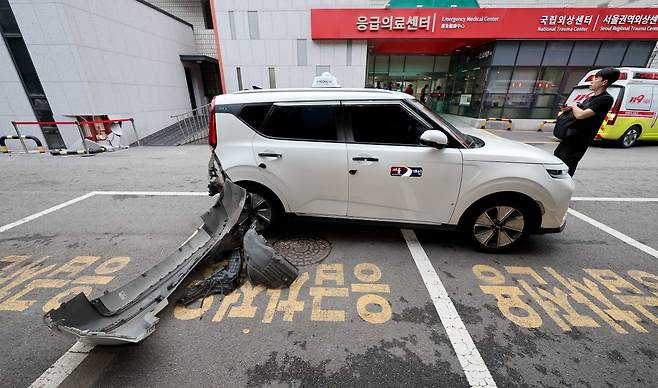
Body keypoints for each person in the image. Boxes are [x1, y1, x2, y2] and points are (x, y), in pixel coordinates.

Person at [553, 67, 619, 177]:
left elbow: (580, 115)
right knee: (556, 161)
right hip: (570, 137)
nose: (592, 81)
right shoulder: (591, 97)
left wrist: (574, 105)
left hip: (579, 141)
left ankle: (561, 190)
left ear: (604, 82)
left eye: (596, 79)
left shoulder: (605, 99)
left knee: (566, 168)